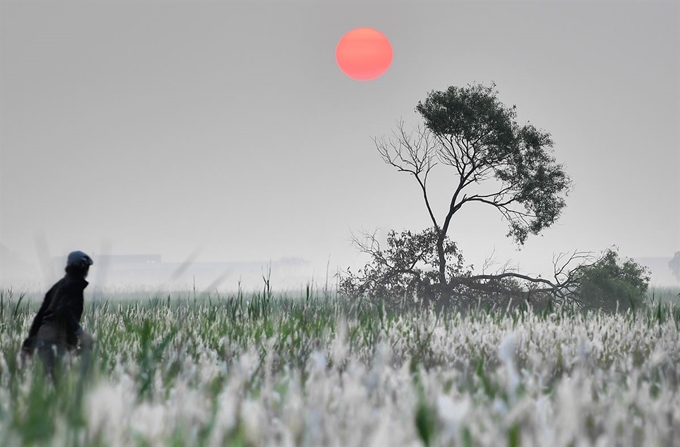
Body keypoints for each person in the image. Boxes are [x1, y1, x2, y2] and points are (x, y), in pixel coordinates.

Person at [21, 250, 95, 381]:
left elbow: (40, 316)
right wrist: (80, 333)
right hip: (57, 341)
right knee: (58, 385)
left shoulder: (58, 286)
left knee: (50, 382)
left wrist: (28, 345)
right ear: (82, 267)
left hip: (45, 341)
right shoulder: (75, 285)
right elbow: (64, 309)